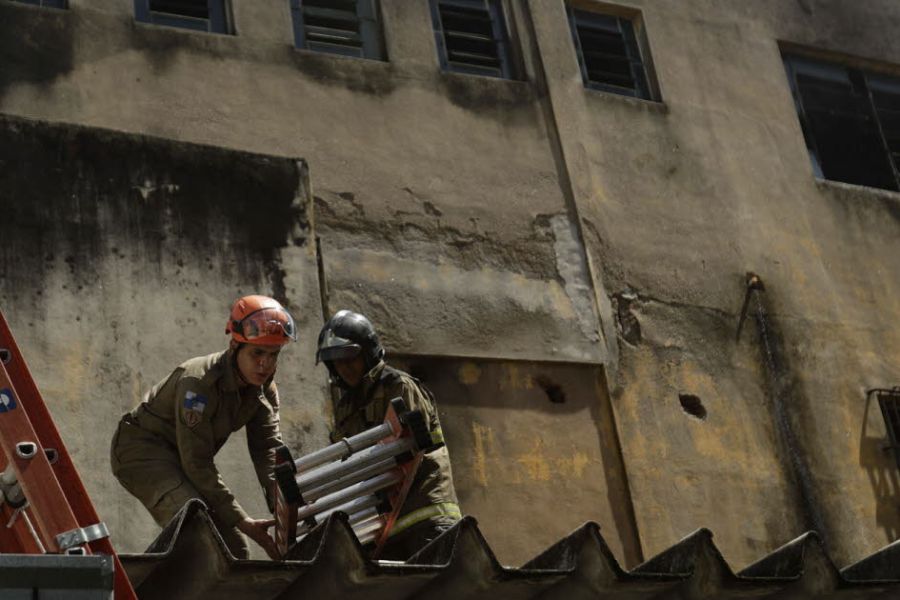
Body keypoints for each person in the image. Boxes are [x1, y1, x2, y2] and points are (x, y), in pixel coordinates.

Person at [110, 295, 296, 559]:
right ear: (235, 346)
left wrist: (285, 507)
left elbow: (267, 449)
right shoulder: (198, 384)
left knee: (235, 551)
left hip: (183, 460)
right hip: (142, 454)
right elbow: (196, 462)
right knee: (206, 542)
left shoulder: (263, 389)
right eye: (257, 353)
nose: (265, 364)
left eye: (273, 354)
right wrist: (242, 520)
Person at [316, 310, 460, 560]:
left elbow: (410, 451)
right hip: (382, 527)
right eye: (336, 362)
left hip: (424, 516)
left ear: (368, 352)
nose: (344, 368)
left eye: (349, 358)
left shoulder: (399, 386)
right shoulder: (346, 406)